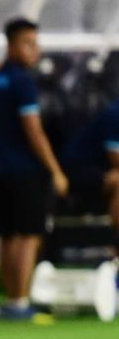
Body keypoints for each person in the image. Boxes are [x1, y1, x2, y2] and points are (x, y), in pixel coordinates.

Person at [0, 18, 70, 320]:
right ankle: (21, 301)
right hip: (25, 170)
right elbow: (34, 132)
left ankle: (11, 300)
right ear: (11, 45)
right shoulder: (22, 82)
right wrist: (55, 171)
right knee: (28, 236)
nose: (35, 50)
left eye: (36, 43)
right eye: (28, 43)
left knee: (7, 235)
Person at [62, 98, 119, 252]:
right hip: (76, 170)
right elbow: (116, 158)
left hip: (100, 170)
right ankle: (116, 243)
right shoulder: (115, 114)